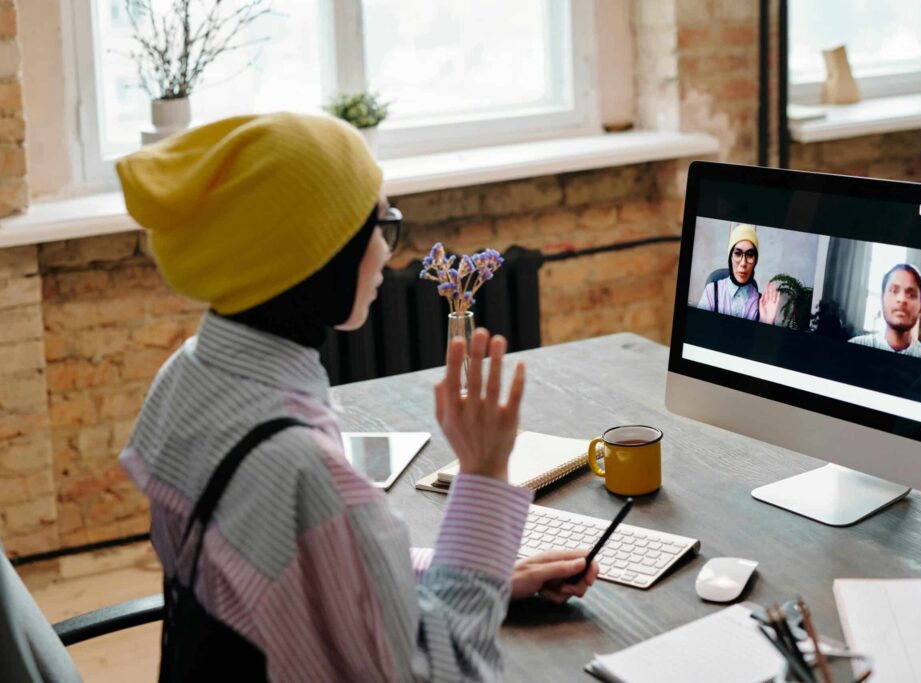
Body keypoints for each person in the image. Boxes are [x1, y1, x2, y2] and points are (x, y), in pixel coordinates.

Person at [115, 113, 598, 683]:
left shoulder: (186, 376)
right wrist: (485, 474)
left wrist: (475, 572)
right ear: (317, 253)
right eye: (378, 225)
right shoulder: (304, 473)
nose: (389, 253)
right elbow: (445, 674)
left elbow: (308, 572)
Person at [849, 263, 921, 363]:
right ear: (882, 299)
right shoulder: (855, 348)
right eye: (894, 291)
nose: (902, 299)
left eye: (911, 294)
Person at [697, 223, 780, 324]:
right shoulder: (712, 291)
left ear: (755, 261)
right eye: (737, 253)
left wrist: (767, 323)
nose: (743, 263)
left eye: (750, 255)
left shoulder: (761, 304)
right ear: (730, 257)